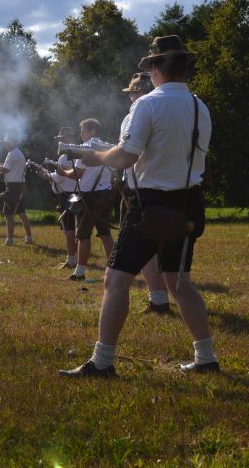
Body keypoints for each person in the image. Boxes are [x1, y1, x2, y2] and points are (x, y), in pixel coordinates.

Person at [60, 35, 216, 377]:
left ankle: (102, 362)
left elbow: (125, 157)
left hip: (150, 204)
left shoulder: (146, 105)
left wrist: (95, 155)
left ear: (156, 67)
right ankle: (206, 358)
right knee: (181, 284)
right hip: (188, 204)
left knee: (115, 281)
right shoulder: (199, 107)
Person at [120, 72, 172, 314]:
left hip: (139, 189)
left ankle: (159, 298)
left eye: (131, 93)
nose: (131, 97)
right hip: (162, 186)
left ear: (135, 93)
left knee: (142, 248)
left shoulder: (135, 114)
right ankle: (162, 295)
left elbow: (127, 154)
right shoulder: (167, 110)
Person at [55, 118, 115, 281]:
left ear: (92, 131)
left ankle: (79, 272)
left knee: (83, 235)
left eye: (84, 131)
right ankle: (113, 272)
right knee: (105, 234)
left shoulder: (87, 149)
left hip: (91, 196)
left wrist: (62, 172)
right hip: (105, 194)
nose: (81, 134)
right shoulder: (107, 148)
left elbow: (77, 174)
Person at [32, 127, 78, 269]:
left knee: (69, 230)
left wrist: (44, 174)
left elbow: (58, 178)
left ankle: (71, 261)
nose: (60, 142)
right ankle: (76, 259)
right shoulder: (79, 152)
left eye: (62, 139)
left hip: (67, 196)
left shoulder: (65, 156)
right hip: (75, 194)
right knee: (75, 230)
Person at [0, 136, 33, 246]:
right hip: (18, 187)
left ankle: (10, 240)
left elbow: (3, 170)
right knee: (22, 214)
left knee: (9, 215)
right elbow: (5, 167)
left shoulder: (12, 154)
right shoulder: (16, 153)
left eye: (7, 142)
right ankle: (29, 238)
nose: (5, 144)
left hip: (13, 187)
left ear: (13, 142)